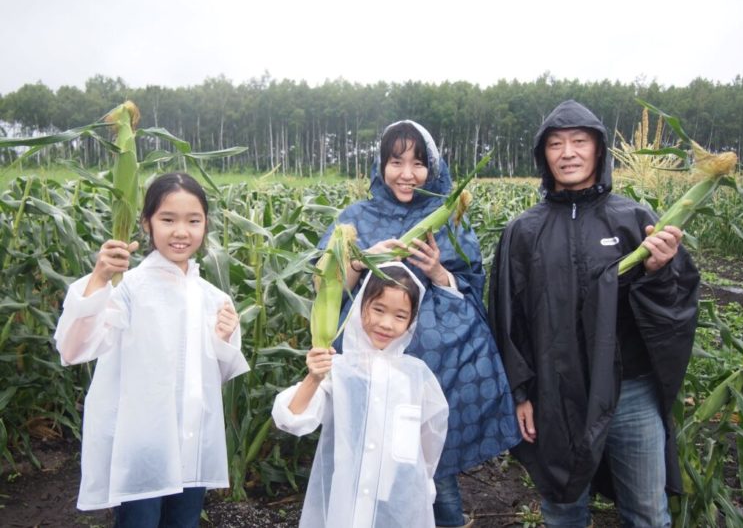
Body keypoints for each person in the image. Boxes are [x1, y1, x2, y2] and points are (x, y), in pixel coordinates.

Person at [488, 99, 700, 527]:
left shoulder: (635, 219)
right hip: (555, 393)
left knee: (647, 510)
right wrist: (520, 394)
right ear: (543, 155)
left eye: (579, 141)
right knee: (563, 506)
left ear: (598, 150)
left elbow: (675, 305)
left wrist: (658, 271)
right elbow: (509, 321)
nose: (568, 152)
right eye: (555, 144)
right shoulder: (523, 231)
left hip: (630, 391)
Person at [318, 120, 521, 528]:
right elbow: (326, 291)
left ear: (434, 168)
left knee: (431, 472)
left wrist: (438, 272)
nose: (407, 174)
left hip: (430, 374)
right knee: (364, 470)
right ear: (381, 165)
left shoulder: (448, 217)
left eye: (418, 163)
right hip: (368, 372)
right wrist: (361, 258)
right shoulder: (355, 218)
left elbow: (471, 288)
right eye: (396, 162)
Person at [54, 172, 250, 527]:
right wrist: (99, 279)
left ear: (206, 224)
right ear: (146, 223)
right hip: (142, 444)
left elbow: (214, 378)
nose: (181, 232)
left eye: (193, 221)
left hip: (193, 443)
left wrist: (223, 340)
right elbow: (74, 349)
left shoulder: (214, 297)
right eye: (168, 219)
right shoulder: (127, 288)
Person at [273, 262, 449, 527]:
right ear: (360, 306)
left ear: (411, 322)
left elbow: (429, 442)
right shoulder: (339, 371)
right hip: (346, 506)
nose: (386, 324)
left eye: (400, 316)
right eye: (378, 309)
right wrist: (313, 378)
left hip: (395, 507)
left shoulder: (416, 377)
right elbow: (291, 418)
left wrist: (421, 487)